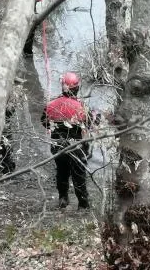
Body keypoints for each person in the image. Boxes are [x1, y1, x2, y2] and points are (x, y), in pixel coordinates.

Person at [42, 72, 99, 209]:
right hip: (76, 147)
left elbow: (44, 122)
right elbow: (92, 124)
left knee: (61, 172)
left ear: (63, 87)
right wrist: (96, 116)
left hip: (58, 146)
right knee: (79, 175)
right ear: (77, 88)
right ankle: (83, 203)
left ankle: (63, 198)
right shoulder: (82, 107)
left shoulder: (51, 104)